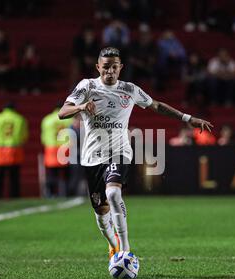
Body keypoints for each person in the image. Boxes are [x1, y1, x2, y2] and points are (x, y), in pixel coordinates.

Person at [58, 47, 213, 259]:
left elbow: (156, 106)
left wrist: (188, 118)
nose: (110, 72)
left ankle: (126, 250)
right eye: (105, 67)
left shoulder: (130, 90)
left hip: (119, 151)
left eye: (114, 67)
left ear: (121, 68)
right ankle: (113, 245)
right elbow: (62, 112)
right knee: (101, 215)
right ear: (97, 67)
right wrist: (82, 106)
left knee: (113, 193)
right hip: (91, 157)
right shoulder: (87, 86)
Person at [0, 102, 28, 198]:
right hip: (14, 150)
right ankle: (15, 196)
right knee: (14, 177)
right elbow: (24, 135)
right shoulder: (20, 119)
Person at [41, 105, 73, 198]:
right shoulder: (68, 119)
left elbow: (43, 137)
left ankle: (51, 193)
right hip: (65, 148)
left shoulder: (47, 119)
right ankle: (67, 193)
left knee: (52, 173)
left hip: (51, 148)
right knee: (66, 173)